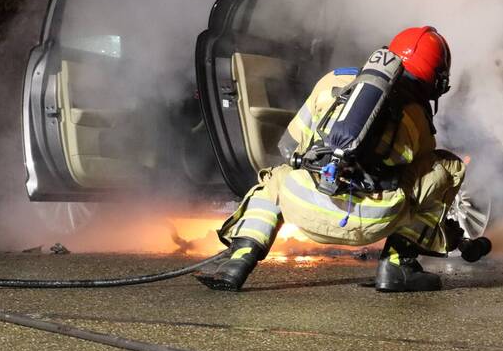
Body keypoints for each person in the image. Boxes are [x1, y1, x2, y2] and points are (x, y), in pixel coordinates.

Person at [196, 26, 487, 293]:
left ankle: (238, 261)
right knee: (446, 166)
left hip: (305, 206)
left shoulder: (333, 81)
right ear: (435, 78)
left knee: (274, 179)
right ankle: (399, 266)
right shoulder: (418, 120)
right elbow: (425, 194)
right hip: (374, 219)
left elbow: (289, 146)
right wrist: (450, 236)